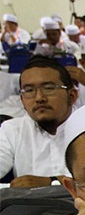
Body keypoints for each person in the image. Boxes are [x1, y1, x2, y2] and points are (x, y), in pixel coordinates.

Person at [0, 57, 77, 186]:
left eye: (48, 88)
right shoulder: (12, 130)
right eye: (29, 91)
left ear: (72, 96)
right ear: (22, 100)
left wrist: (51, 182)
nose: (39, 98)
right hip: (27, 206)